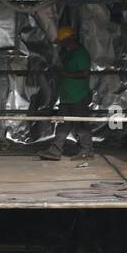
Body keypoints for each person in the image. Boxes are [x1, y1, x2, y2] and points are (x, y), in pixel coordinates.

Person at [40, 25, 95, 162]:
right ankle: (55, 150)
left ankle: (87, 150)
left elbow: (85, 73)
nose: (62, 44)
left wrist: (66, 74)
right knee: (63, 124)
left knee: (81, 124)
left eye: (63, 41)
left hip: (78, 95)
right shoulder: (69, 53)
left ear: (70, 39)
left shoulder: (81, 54)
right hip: (67, 96)